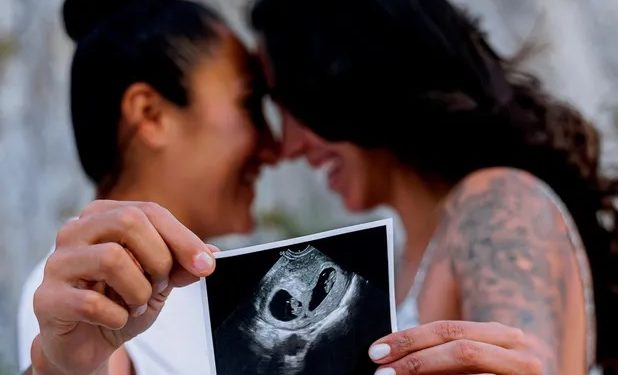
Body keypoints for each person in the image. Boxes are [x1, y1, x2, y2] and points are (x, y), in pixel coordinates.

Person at [250, 0, 617, 374]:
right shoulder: (398, 261)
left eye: (290, 106)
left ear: (350, 84)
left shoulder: (497, 204)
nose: (289, 147)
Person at [18, 0, 277, 373]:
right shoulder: (82, 297)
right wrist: (63, 368)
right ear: (150, 115)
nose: (273, 148)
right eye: (250, 104)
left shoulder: (209, 289)